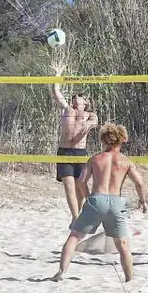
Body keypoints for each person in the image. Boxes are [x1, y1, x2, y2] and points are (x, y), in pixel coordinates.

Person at [52, 123, 148, 282]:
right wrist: (142, 201)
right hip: (116, 202)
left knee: (75, 236)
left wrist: (89, 197)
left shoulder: (95, 159)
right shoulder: (126, 161)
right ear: (122, 140)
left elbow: (82, 181)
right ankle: (129, 279)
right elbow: (139, 183)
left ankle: (61, 272)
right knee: (123, 244)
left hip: (97, 199)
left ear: (103, 140)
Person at [51, 82, 99, 219]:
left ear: (85, 101)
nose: (76, 97)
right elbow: (57, 93)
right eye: (74, 96)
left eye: (80, 96)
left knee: (80, 187)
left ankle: (77, 215)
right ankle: (75, 217)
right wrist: (57, 78)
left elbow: (95, 121)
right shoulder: (67, 110)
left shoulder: (90, 114)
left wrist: (89, 124)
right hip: (64, 152)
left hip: (80, 153)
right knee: (68, 186)